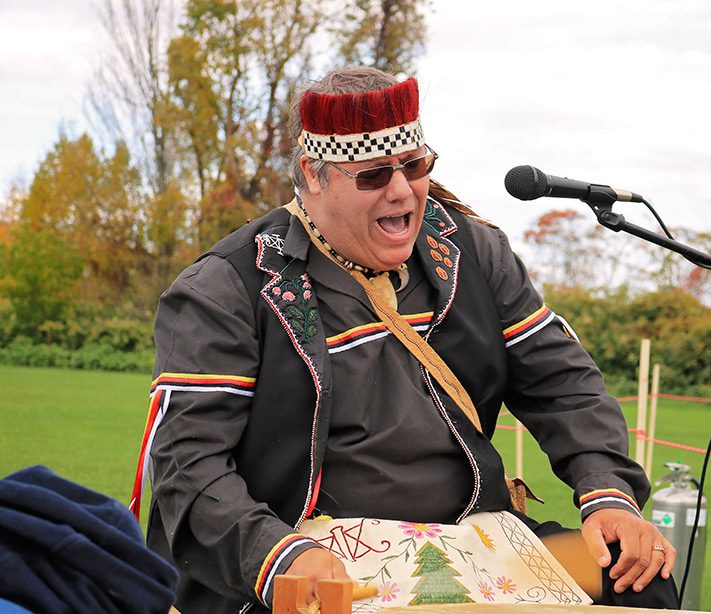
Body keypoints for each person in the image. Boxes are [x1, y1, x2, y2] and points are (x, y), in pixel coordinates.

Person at [133, 66, 679, 612]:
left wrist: (608, 495)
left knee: (638, 581)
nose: (402, 191)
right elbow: (188, 463)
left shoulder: (471, 251)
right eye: (372, 175)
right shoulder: (228, 286)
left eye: (414, 166)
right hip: (312, 552)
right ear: (314, 175)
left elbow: (563, 383)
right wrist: (276, 555)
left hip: (475, 539)